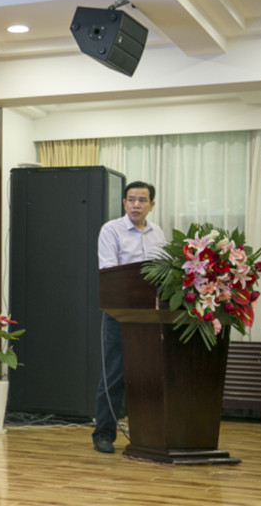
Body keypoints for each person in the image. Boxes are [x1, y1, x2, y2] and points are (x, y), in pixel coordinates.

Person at [92, 181, 166, 454]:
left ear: (151, 205)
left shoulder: (158, 233)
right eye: (131, 199)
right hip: (119, 313)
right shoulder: (111, 230)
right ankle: (103, 434)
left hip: (151, 315)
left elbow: (163, 272)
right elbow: (110, 271)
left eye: (142, 200)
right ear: (124, 203)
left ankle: (149, 434)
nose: (136, 205)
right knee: (114, 375)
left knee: (149, 375)